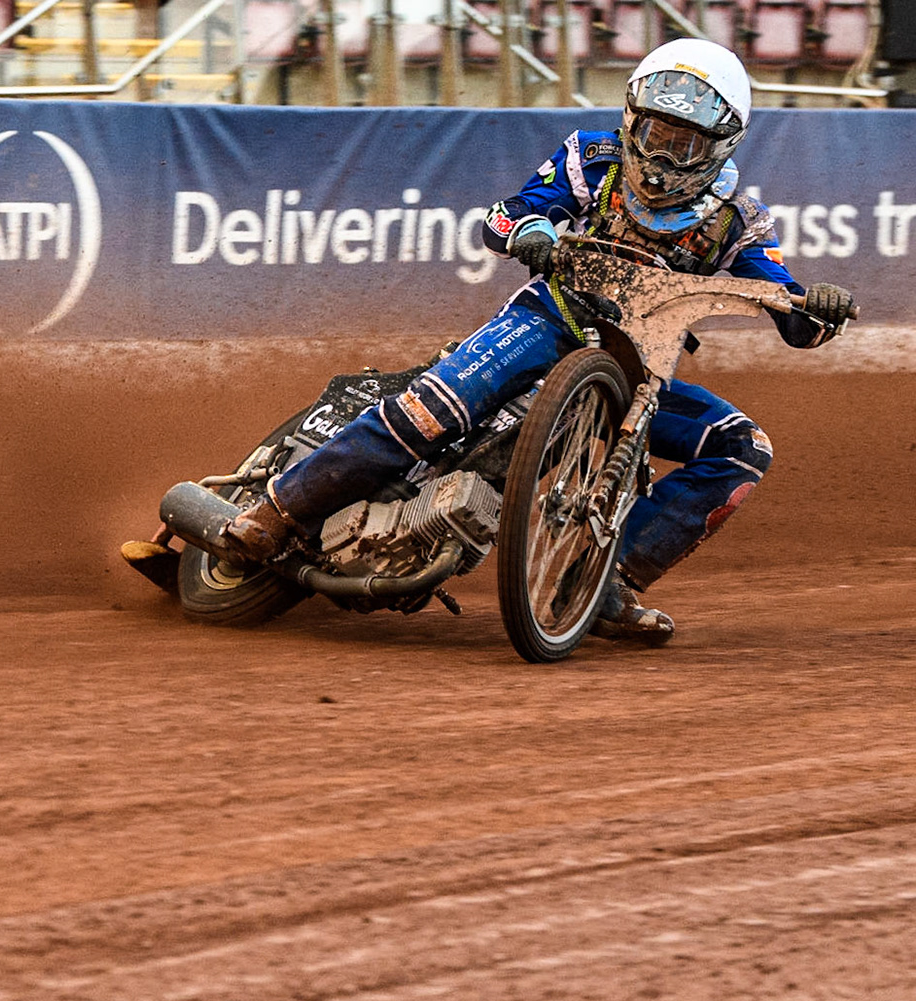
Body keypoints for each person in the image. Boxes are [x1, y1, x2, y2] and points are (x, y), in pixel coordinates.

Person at [220, 39, 857, 645]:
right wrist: (532, 232)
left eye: (683, 143)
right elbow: (506, 214)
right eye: (655, 133)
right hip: (550, 319)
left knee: (742, 446)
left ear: (720, 146)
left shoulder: (737, 222)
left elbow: (787, 306)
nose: (662, 155)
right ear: (632, 118)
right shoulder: (592, 156)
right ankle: (277, 511)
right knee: (433, 409)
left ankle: (608, 583)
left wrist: (815, 306)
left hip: (640, 369)